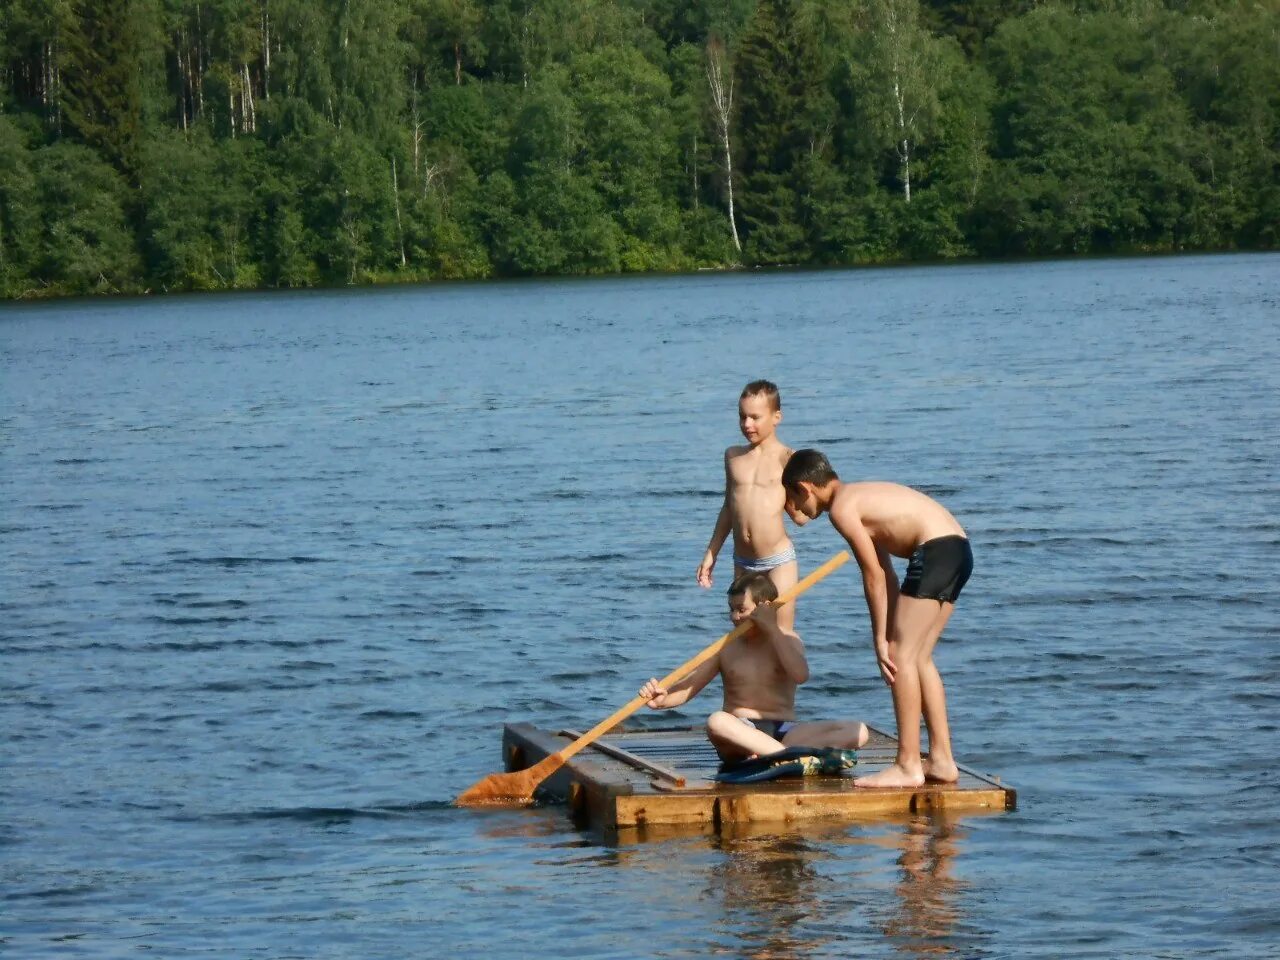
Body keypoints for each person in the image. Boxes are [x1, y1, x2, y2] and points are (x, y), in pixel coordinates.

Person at [781, 449, 973, 788]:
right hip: (958, 550)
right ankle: (941, 759)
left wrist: (879, 641)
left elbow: (872, 576)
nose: (794, 510)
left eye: (793, 500)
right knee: (919, 658)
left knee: (900, 658)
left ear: (805, 488)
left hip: (934, 551)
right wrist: (887, 631)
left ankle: (908, 764)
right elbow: (887, 575)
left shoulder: (841, 508)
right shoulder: (859, 497)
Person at [639, 572, 869, 764]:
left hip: (785, 730)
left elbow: (800, 675)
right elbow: (689, 687)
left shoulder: (787, 639)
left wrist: (772, 629)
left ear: (764, 607)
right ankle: (789, 758)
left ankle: (778, 754)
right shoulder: (726, 646)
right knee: (716, 722)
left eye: (741, 609)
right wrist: (663, 700)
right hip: (739, 732)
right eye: (731, 609)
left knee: (857, 731)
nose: (734, 617)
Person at [697, 380, 800, 634]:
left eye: (755, 417)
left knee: (781, 632)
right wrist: (712, 553)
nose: (747, 424)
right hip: (743, 561)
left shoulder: (787, 457)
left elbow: (800, 515)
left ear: (776, 417)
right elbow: (729, 507)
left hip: (778, 561)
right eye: (742, 416)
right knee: (745, 636)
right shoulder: (733, 456)